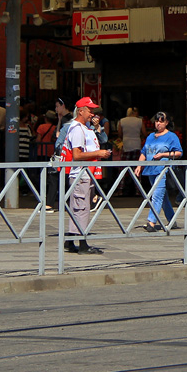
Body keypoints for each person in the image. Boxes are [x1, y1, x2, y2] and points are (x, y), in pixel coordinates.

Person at [60, 96, 112, 254]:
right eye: (90, 110)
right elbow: (77, 154)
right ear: (80, 111)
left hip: (86, 173)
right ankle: (82, 244)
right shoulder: (77, 129)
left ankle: (70, 240)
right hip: (80, 174)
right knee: (82, 208)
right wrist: (99, 153)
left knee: (78, 207)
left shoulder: (85, 127)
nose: (92, 114)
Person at [135, 112, 183, 232]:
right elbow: (144, 152)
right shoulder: (151, 136)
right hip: (150, 170)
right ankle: (172, 220)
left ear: (166, 123)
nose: (158, 124)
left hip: (163, 170)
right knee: (162, 196)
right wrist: (139, 166)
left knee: (157, 195)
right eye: (157, 121)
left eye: (161, 121)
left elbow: (179, 153)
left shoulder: (171, 136)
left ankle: (151, 221)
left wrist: (163, 154)